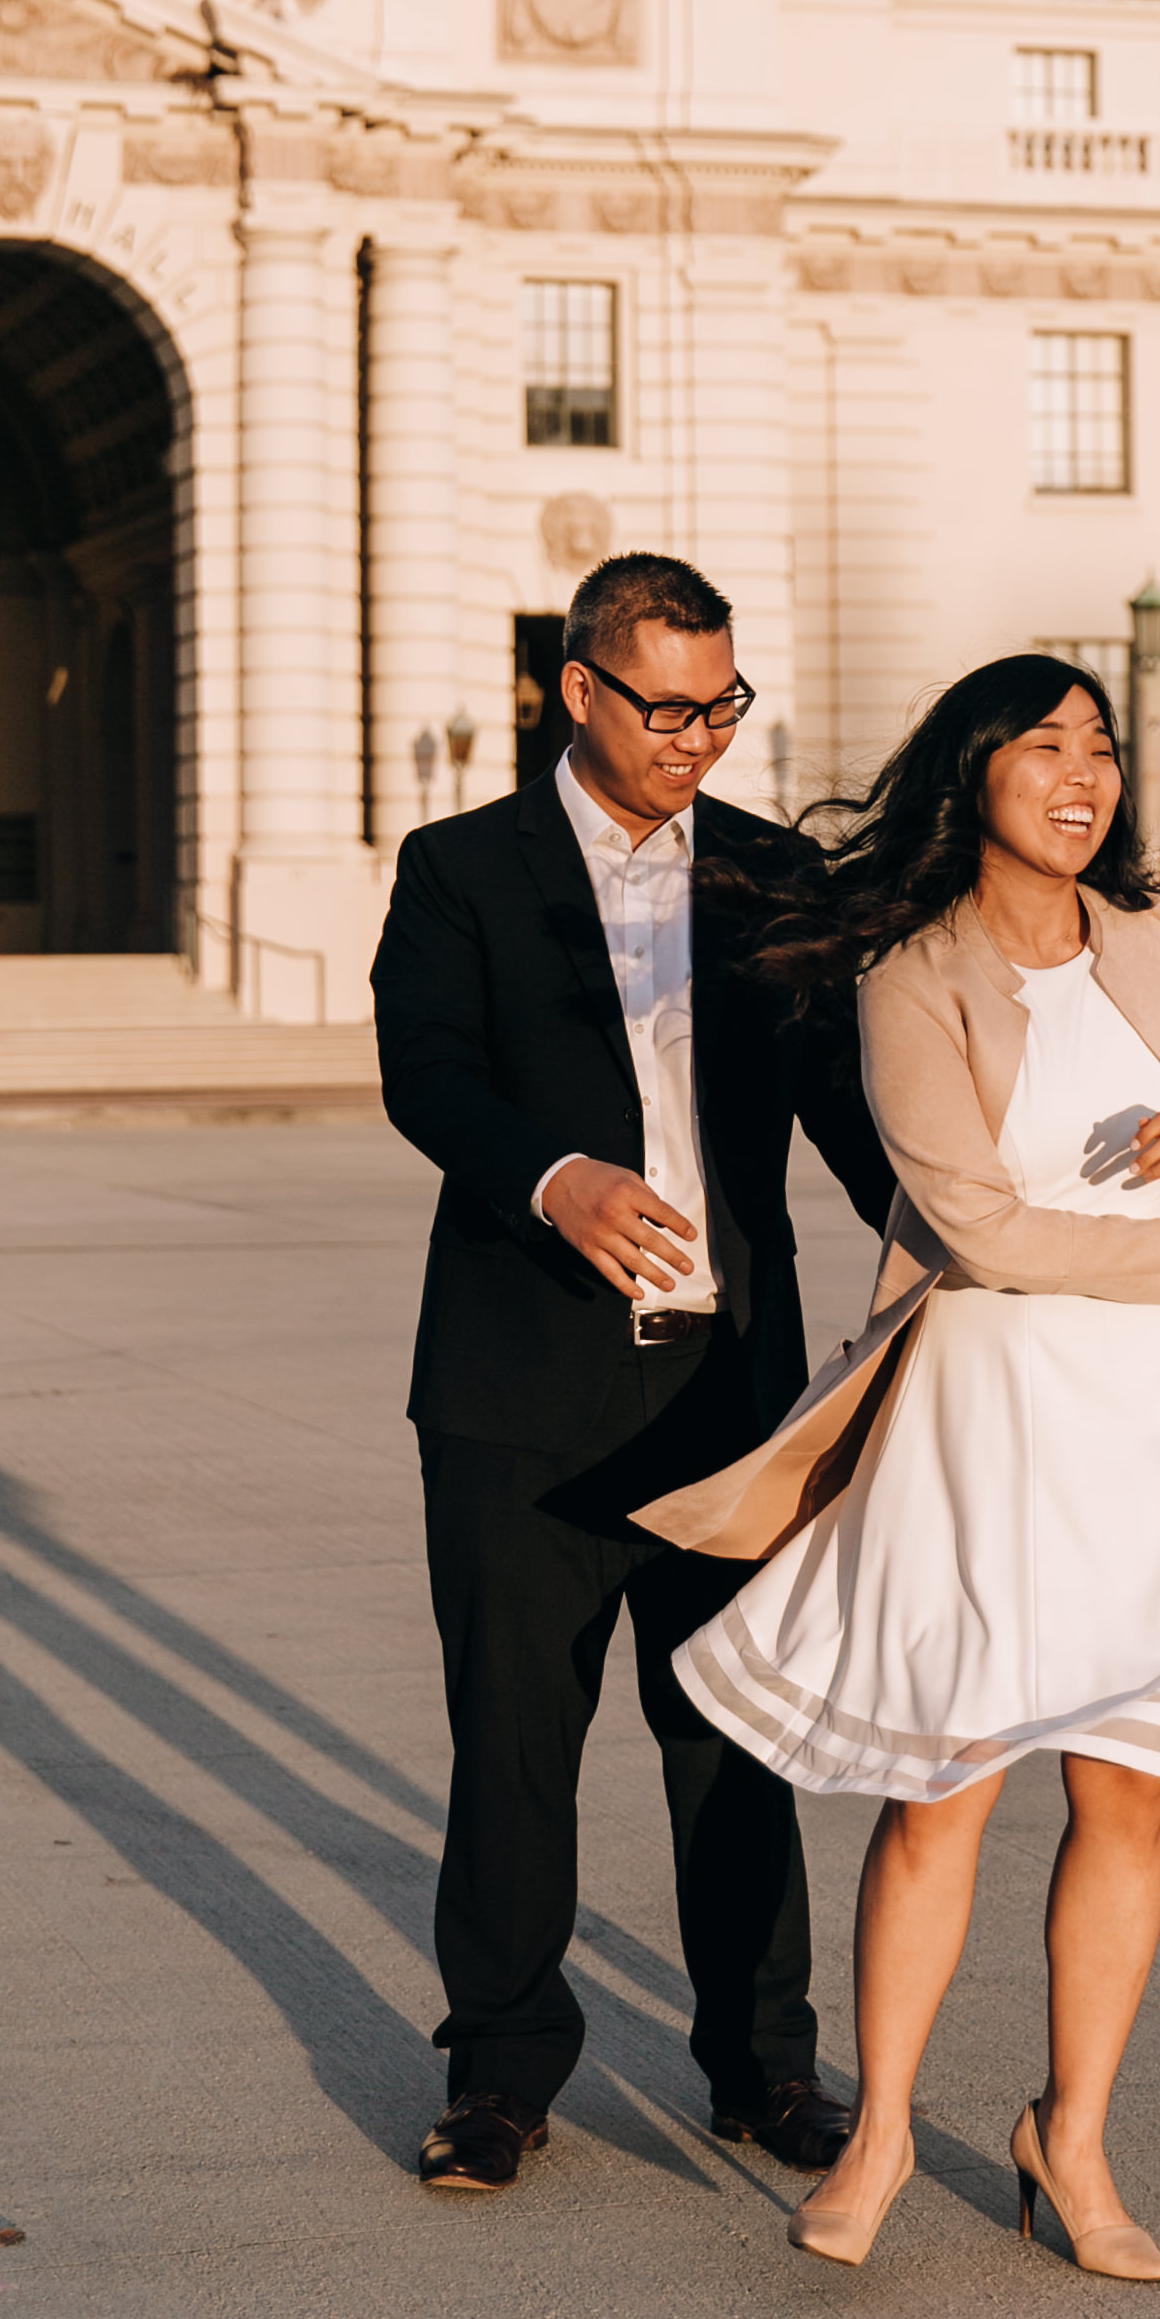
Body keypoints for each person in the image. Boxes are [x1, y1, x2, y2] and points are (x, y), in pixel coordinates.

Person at [639, 655, 1160, 2275]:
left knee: (1128, 1796)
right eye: (1045, 743)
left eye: (1101, 745)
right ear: (974, 775)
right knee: (939, 1790)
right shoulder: (909, 969)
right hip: (993, 1419)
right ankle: (877, 2136)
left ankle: (1069, 2142)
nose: (1082, 772)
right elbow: (971, 1223)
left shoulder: (1159, 939)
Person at [371, 551, 895, 2199]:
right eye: (665, 707)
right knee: (512, 1740)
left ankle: (763, 2071)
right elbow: (427, 1073)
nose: (698, 738)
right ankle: (501, 2075)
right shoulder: (462, 866)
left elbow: (847, 1118)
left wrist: (962, 1241)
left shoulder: (765, 877)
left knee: (735, 1738)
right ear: (575, 689)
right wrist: (555, 1178)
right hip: (516, 1387)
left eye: (722, 705)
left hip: (726, 1392)